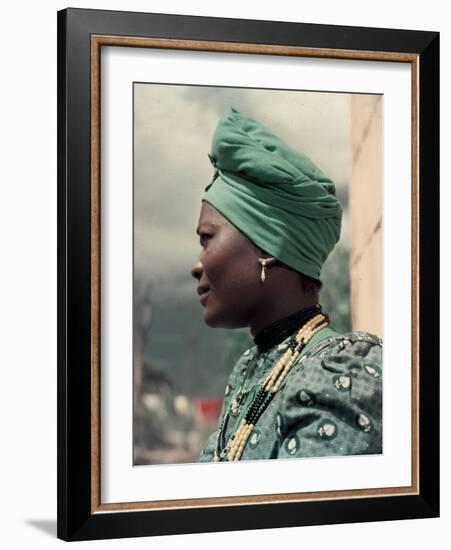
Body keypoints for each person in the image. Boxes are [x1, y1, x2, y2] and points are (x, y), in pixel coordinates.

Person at [191, 106, 382, 463]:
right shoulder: (253, 369)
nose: (196, 264)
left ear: (268, 246)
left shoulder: (340, 379)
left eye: (207, 238)